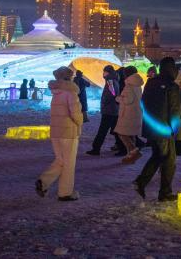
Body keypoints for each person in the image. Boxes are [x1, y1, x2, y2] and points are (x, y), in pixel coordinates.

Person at [133, 57, 181, 202]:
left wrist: (149, 122)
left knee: (158, 156)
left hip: (151, 128)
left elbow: (143, 103)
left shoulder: (151, 83)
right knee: (169, 160)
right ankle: (163, 192)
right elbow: (175, 110)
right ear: (171, 69)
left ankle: (142, 183)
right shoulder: (172, 86)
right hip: (164, 129)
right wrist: (175, 129)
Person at [35, 67, 83, 201]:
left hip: (56, 131)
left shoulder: (56, 93)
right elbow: (76, 114)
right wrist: (80, 122)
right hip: (68, 132)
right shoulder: (71, 93)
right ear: (69, 77)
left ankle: (43, 182)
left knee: (60, 160)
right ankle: (65, 193)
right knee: (68, 163)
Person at [87, 65, 125, 156]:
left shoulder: (110, 81)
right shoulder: (114, 80)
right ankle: (122, 147)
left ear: (108, 72)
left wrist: (104, 103)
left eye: (104, 71)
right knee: (116, 130)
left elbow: (112, 94)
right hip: (113, 109)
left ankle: (96, 148)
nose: (103, 73)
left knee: (103, 129)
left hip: (109, 109)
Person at [114, 66, 144, 163]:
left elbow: (127, 100)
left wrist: (118, 98)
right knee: (131, 135)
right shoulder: (137, 85)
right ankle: (130, 157)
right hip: (136, 113)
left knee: (122, 133)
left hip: (127, 114)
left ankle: (134, 151)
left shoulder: (129, 86)